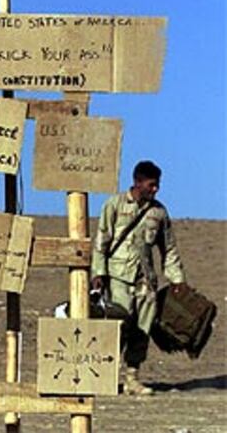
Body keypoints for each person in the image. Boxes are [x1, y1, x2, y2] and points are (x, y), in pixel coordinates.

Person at [91, 160, 187, 395]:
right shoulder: (114, 205)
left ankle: (132, 377)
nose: (155, 189)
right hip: (117, 277)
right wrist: (98, 273)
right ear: (137, 182)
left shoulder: (159, 212)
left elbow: (169, 248)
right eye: (151, 184)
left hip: (145, 279)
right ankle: (105, 376)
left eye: (157, 185)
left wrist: (177, 280)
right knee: (118, 326)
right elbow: (101, 242)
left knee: (142, 328)